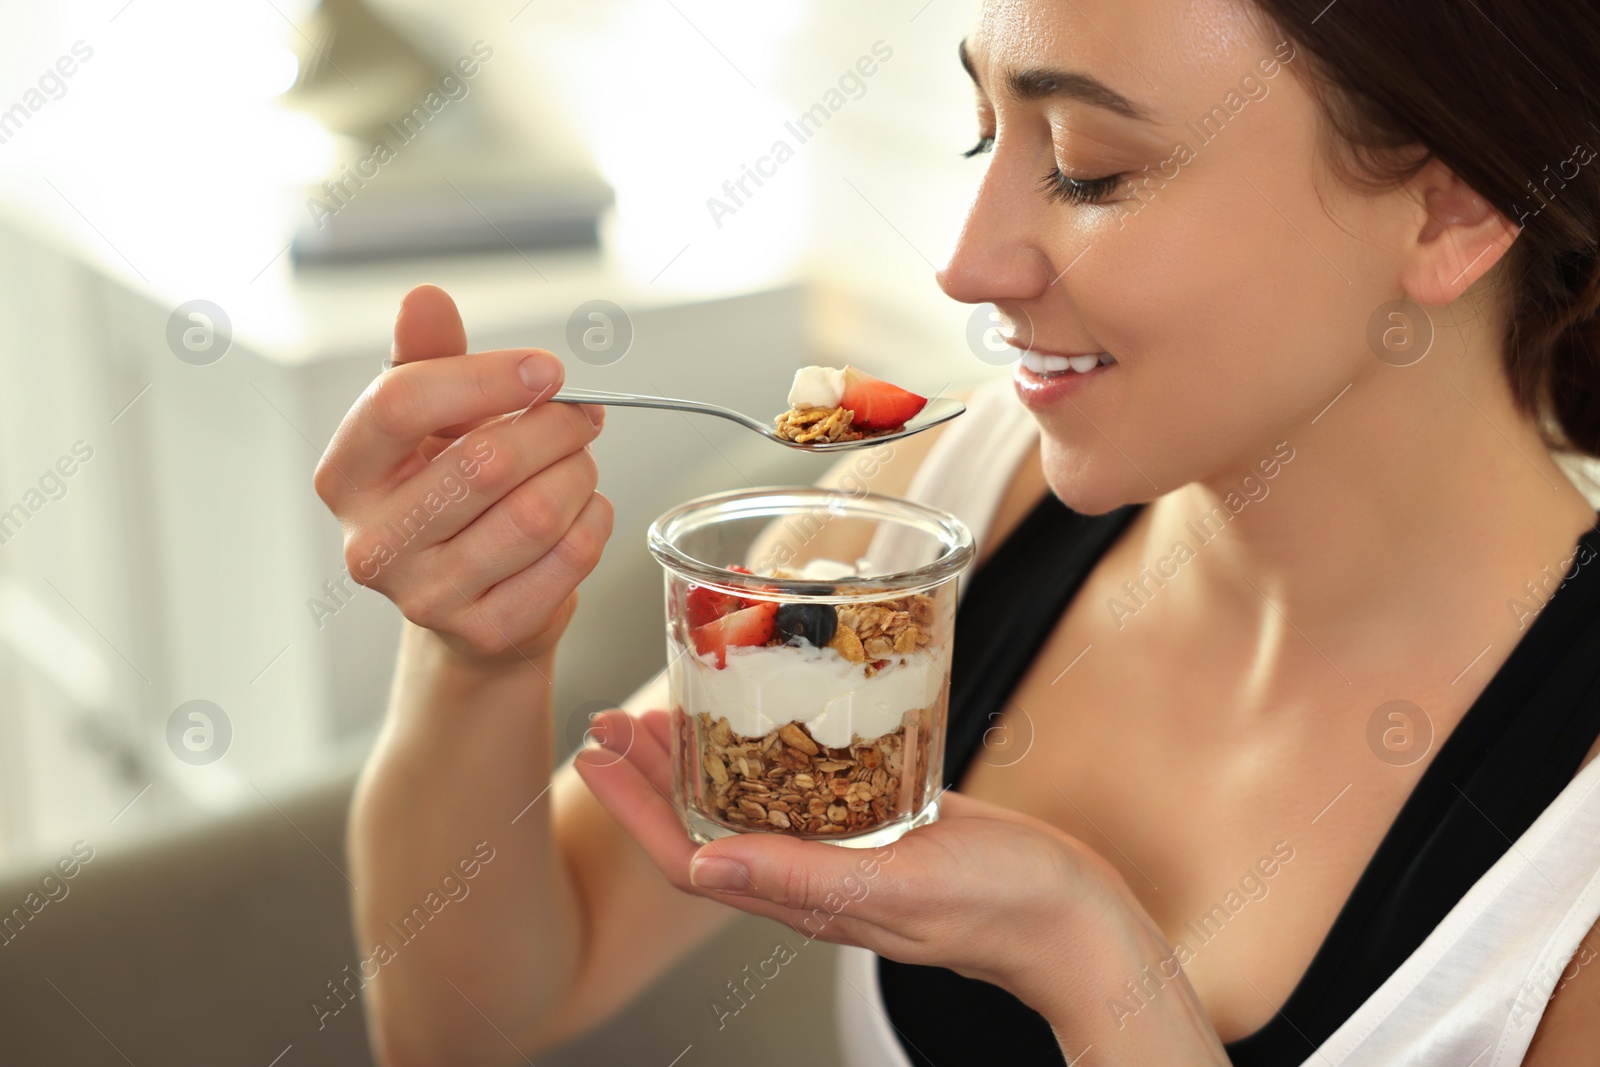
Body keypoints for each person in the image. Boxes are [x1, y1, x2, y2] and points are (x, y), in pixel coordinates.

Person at [312, 0, 1600, 1062]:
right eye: (985, 134)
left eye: (1092, 169)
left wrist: (1085, 957)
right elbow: (462, 1023)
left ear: (1453, 212)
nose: (968, 264)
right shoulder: (928, 521)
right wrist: (480, 653)